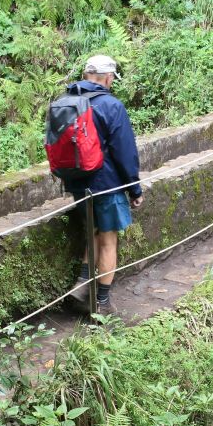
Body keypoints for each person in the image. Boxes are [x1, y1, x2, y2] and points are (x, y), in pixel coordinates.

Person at [63, 55, 143, 314]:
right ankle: (103, 305)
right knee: (108, 240)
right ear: (108, 78)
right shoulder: (111, 105)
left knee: (93, 231)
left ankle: (82, 284)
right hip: (106, 185)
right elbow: (124, 152)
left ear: (86, 75)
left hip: (76, 182)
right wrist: (135, 189)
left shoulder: (65, 101)